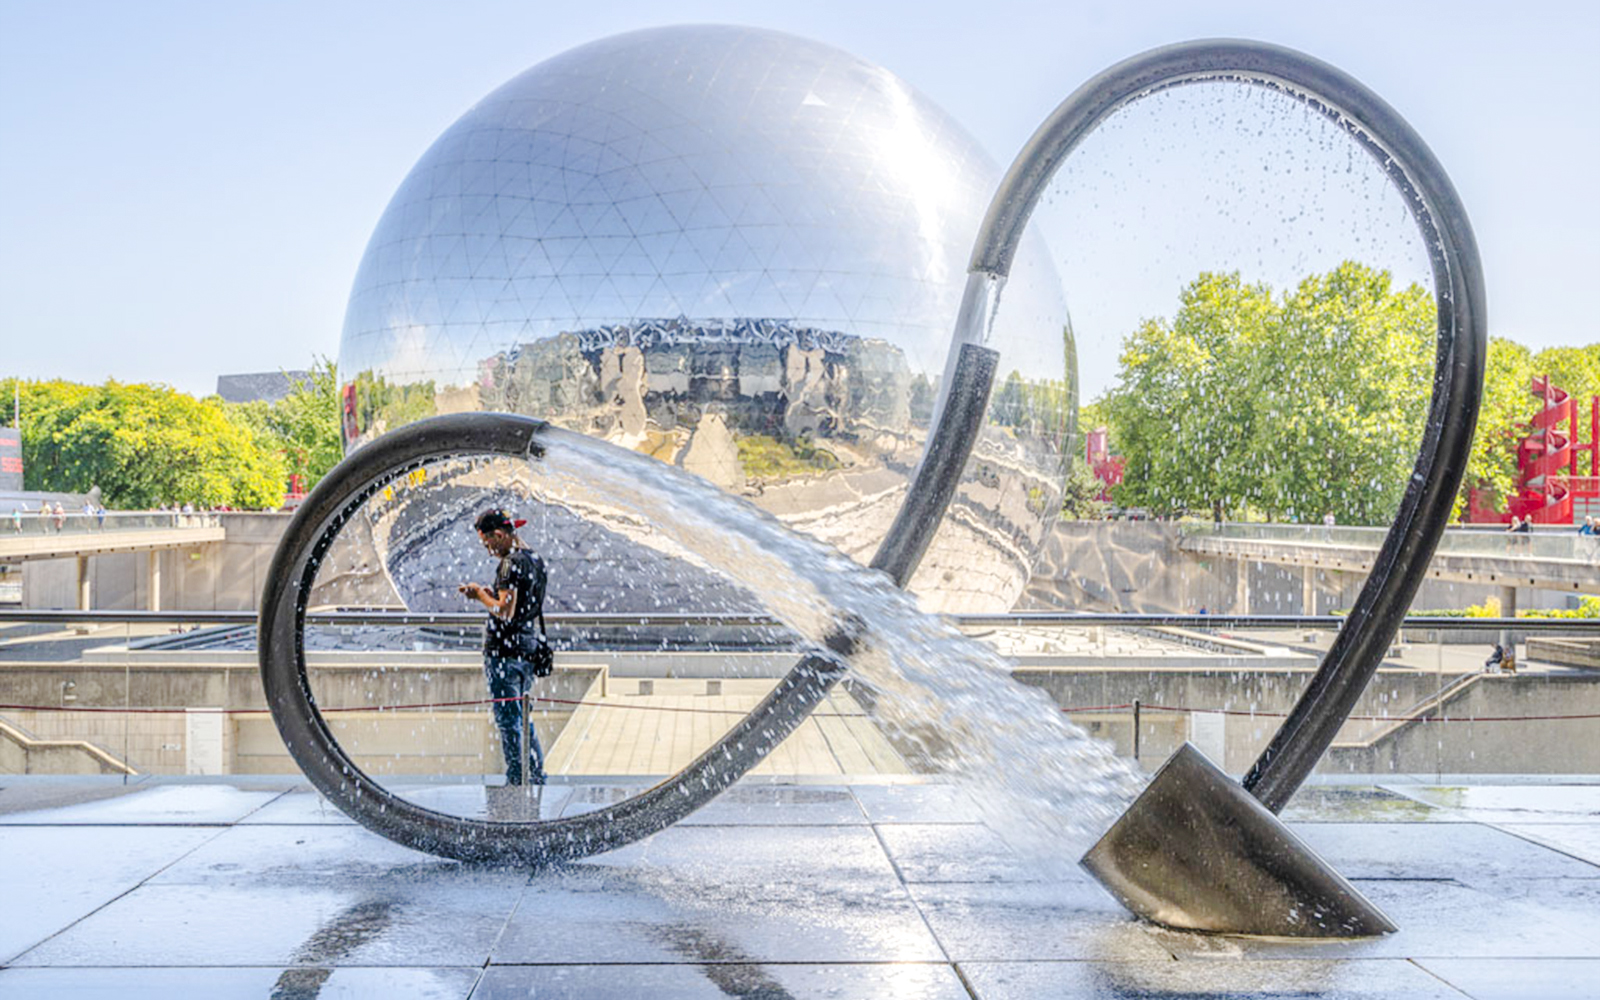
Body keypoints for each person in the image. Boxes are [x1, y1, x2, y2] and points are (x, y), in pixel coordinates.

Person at [459, 508, 548, 786]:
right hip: (528, 649)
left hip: (504, 654)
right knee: (522, 717)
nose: (488, 550)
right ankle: (534, 774)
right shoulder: (535, 558)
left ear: (499, 535)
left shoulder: (509, 563)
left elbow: (505, 611)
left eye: (488, 543)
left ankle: (517, 779)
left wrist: (480, 595)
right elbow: (522, 605)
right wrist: (493, 593)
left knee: (509, 721)